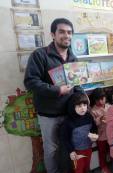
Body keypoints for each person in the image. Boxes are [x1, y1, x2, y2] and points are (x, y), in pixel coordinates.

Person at [24, 18, 84, 173]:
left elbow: (76, 85)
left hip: (69, 113)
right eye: (61, 31)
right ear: (53, 34)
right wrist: (57, 90)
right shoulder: (40, 55)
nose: (66, 35)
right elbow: (30, 82)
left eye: (69, 32)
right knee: (50, 150)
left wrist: (83, 95)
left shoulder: (73, 58)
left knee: (66, 147)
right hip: (48, 115)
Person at [62, 92, 98, 173]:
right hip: (77, 151)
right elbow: (65, 138)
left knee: (87, 164)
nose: (83, 108)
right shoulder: (69, 121)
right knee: (79, 167)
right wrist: (71, 151)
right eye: (79, 106)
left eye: (85, 105)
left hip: (88, 147)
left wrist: (94, 134)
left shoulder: (88, 116)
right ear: (73, 107)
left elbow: (94, 127)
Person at [89, 88, 113, 173]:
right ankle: (103, 167)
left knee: (112, 151)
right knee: (102, 152)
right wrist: (100, 119)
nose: (100, 101)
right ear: (94, 100)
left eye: (102, 98)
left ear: (105, 97)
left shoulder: (110, 107)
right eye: (97, 99)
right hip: (101, 137)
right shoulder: (93, 110)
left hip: (111, 135)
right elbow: (93, 124)